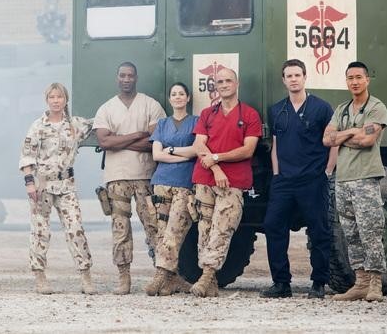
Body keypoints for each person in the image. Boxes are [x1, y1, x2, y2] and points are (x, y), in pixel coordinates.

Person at [259, 59, 337, 299]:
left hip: (313, 179)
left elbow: (333, 143)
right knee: (273, 226)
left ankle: (318, 283)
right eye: (288, 76)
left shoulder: (322, 108)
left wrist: (327, 171)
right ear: (283, 80)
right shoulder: (277, 110)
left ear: (304, 77)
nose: (293, 79)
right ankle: (281, 284)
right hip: (283, 180)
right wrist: (275, 173)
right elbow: (276, 144)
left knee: (319, 230)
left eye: (297, 75)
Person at [93, 61, 166, 294]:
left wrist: (120, 141)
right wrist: (137, 135)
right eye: (122, 75)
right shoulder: (106, 109)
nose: (126, 79)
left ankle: (161, 276)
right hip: (117, 178)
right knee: (120, 228)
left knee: (154, 226)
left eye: (130, 75)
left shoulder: (150, 105)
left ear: (136, 77)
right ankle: (124, 278)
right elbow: (104, 142)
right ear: (117, 78)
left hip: (145, 176)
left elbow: (155, 141)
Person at [190, 68, 262, 297]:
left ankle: (206, 276)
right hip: (205, 179)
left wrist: (218, 157)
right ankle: (209, 283)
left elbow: (248, 150)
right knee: (204, 229)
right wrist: (215, 167)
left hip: (233, 183)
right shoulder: (207, 114)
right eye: (219, 81)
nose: (223, 84)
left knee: (222, 228)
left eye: (228, 80)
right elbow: (199, 145)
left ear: (237, 83)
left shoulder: (250, 114)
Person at [19, 82, 95, 295]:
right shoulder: (38, 126)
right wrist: (29, 183)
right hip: (42, 186)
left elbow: (100, 124)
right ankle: (40, 275)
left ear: (65, 100)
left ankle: (85, 275)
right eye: (52, 97)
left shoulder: (75, 125)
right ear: (47, 100)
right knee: (40, 231)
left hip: (67, 186)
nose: (55, 101)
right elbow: (27, 155)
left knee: (75, 229)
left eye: (59, 97)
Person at [323, 61, 387, 302]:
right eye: (350, 78)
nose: (355, 82)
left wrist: (344, 135)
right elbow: (327, 139)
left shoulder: (376, 107)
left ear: (367, 80)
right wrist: (353, 131)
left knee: (370, 232)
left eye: (359, 77)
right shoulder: (342, 109)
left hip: (365, 178)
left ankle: (375, 284)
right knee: (351, 233)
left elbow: (367, 141)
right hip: (344, 179)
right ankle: (360, 283)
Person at [144, 82, 199, 296]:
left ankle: (160, 276)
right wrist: (183, 156)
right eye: (174, 94)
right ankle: (172, 280)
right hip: (161, 183)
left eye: (181, 94)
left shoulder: (196, 121)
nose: (177, 97)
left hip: (184, 183)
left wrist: (173, 150)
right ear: (169, 99)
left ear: (188, 98)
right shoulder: (162, 123)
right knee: (161, 232)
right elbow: (156, 155)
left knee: (175, 231)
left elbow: (196, 150)